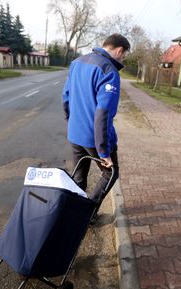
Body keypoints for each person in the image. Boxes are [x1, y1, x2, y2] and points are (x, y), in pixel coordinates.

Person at [62, 33, 130, 221]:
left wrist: (72, 122)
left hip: (75, 133)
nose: (122, 59)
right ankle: (87, 213)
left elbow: (66, 97)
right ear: (119, 50)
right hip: (94, 138)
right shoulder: (109, 70)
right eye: (123, 56)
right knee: (110, 172)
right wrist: (103, 151)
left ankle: (72, 212)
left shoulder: (77, 63)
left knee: (79, 177)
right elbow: (103, 113)